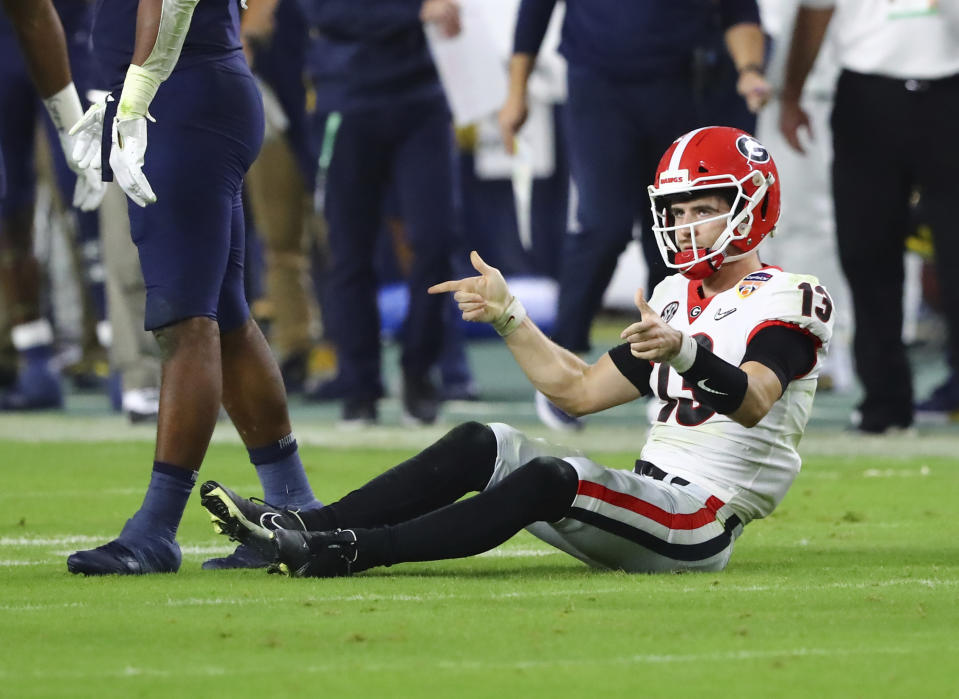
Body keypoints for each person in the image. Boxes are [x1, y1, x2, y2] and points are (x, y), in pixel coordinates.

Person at [198, 126, 834, 578]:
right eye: (678, 209)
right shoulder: (675, 296)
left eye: (704, 209)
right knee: (487, 440)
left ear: (751, 207)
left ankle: (350, 549)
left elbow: (752, 401)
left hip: (699, 522)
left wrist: (686, 354)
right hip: (646, 499)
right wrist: (510, 317)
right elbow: (579, 392)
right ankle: (305, 526)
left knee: (557, 477)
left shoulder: (789, 295)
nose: (685, 223)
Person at [64, 0, 323, 575]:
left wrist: (136, 94)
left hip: (178, 102)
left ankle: (156, 529)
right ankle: (292, 502)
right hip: (195, 92)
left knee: (186, 318)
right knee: (224, 315)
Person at [499, 0, 772, 431]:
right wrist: (516, 92)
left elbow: (739, 11)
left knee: (675, 233)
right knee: (601, 226)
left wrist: (749, 69)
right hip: (599, 84)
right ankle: (562, 358)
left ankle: (673, 368)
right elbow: (535, 10)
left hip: (686, 84)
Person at [780, 0, 959, 433]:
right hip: (868, 94)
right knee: (866, 249)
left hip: (950, 90)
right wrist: (791, 94)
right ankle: (884, 399)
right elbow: (815, 11)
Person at [299, 0, 463, 426]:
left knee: (436, 241)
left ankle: (419, 369)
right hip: (345, 100)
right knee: (350, 252)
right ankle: (359, 385)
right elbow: (323, 11)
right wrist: (413, 11)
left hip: (422, 97)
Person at [0, 0, 106, 411]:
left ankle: (121, 354)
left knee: (88, 192)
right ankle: (34, 355)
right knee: (9, 205)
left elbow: (35, 13)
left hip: (76, 33)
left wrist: (69, 126)